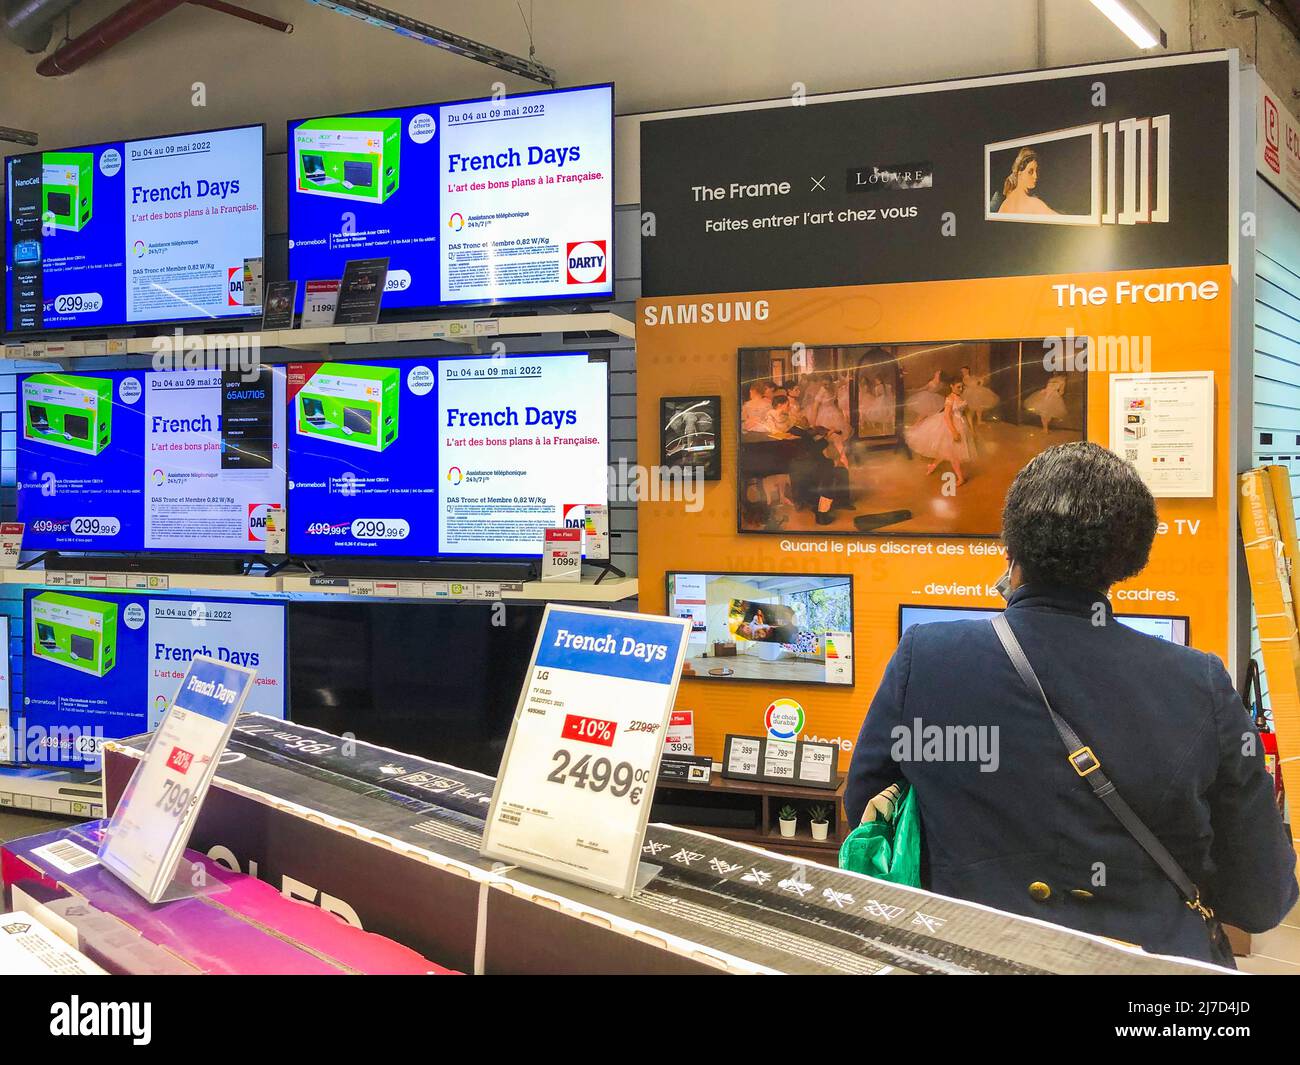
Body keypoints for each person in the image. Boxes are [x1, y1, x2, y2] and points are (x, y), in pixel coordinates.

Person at [845, 443, 1297, 965]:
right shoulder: (1201, 683)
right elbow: (1261, 898)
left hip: (967, 953)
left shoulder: (927, 655)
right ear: (1131, 557)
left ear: (1011, 547)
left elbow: (868, 807)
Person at [905, 377, 974, 486]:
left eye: (962, 387)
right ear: (951, 386)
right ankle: (960, 478)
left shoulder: (961, 398)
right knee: (954, 454)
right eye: (958, 387)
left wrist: (972, 429)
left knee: (947, 450)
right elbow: (947, 416)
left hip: (961, 424)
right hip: (950, 425)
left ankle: (932, 466)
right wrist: (954, 431)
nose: (960, 389)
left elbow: (968, 413)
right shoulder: (950, 399)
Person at [997, 147, 1057, 216]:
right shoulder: (1034, 203)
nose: (1035, 176)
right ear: (1019, 173)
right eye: (1030, 172)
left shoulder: (1005, 204)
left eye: (1036, 171)